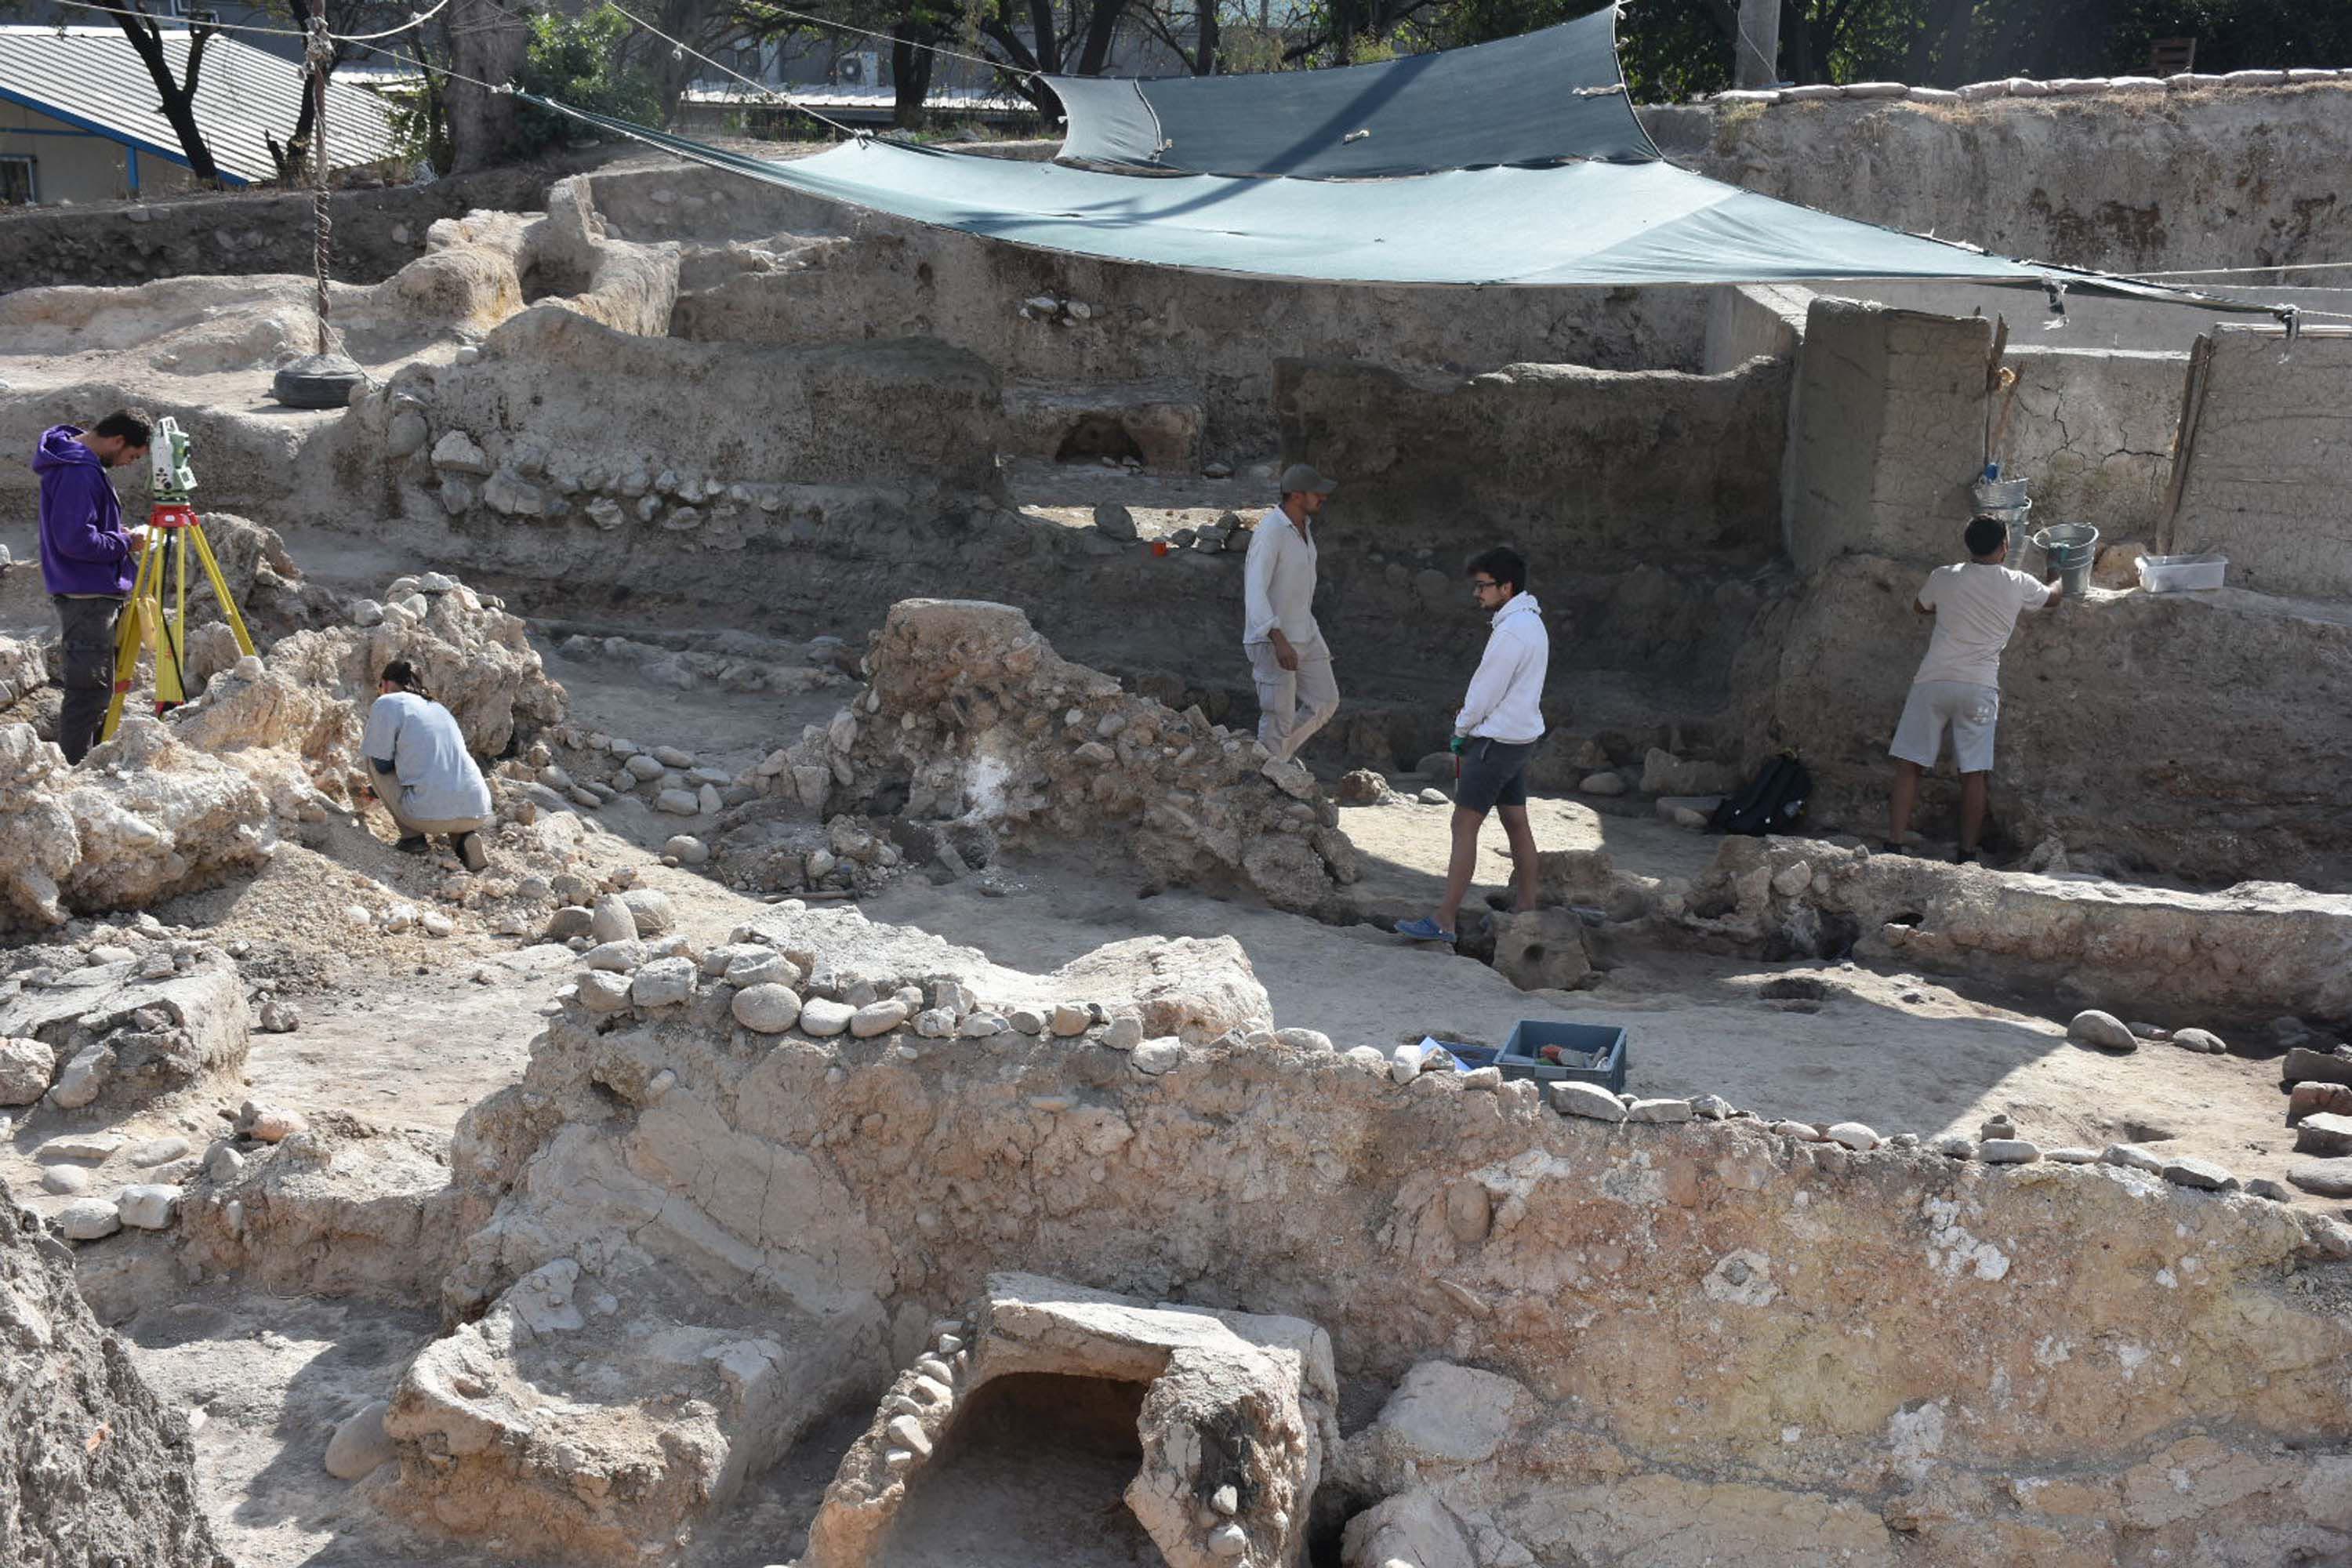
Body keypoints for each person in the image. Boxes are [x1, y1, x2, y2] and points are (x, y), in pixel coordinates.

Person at [1886, 514, 2063, 863]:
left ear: (1968, 544)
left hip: (1933, 683)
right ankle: (1966, 853)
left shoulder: (1944, 576)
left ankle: (1893, 844)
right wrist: (2056, 571)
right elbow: (2054, 598)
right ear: (2005, 547)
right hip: (1979, 688)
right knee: (1974, 773)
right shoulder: (2017, 582)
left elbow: (1920, 606)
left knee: (1910, 765)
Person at [1398, 547, 1549, 944]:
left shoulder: (1511, 633)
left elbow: (1484, 692)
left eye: (1483, 587)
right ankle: (1527, 906)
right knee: (1516, 821)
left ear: (1506, 587)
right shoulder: (1532, 623)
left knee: (1463, 824)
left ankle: (1444, 919)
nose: (1477, 594)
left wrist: (1461, 730)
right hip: (1520, 741)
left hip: (1493, 743)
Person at [34, 409, 152, 764]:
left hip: (89, 590)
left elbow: (83, 529)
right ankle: (73, 770)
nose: (129, 464)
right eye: (131, 456)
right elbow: (74, 540)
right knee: (88, 692)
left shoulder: (77, 463)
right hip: (87, 596)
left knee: (96, 689)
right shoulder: (78, 471)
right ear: (117, 440)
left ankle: (86, 757)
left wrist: (118, 536)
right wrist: (124, 544)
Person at [1241, 463, 1341, 765]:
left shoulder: (1304, 529)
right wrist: (1277, 638)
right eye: (1316, 492)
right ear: (1296, 496)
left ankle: (1274, 760)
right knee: (1277, 719)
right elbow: (1254, 590)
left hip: (1305, 632)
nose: (1323, 496)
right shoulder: (1271, 532)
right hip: (1273, 639)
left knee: (1325, 702)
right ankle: (1268, 775)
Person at [363, 660, 493, 873]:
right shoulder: (438, 707)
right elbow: (432, 765)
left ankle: (412, 839)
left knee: (371, 755)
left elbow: (382, 765)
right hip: (476, 811)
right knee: (445, 793)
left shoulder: (387, 702)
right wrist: (376, 790)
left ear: (385, 685)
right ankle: (464, 838)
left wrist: (376, 787)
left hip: (426, 817)